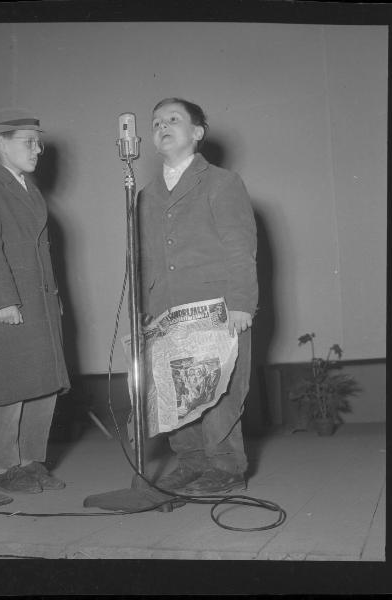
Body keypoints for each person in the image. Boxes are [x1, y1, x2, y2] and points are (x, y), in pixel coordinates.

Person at [138, 98, 258, 495]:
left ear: (197, 132)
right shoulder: (145, 196)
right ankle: (191, 463)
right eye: (156, 123)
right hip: (165, 312)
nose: (162, 126)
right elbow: (142, 260)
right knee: (175, 390)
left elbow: (240, 246)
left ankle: (226, 467)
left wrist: (241, 302)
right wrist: (143, 310)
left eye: (173, 119)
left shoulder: (222, 182)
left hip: (215, 308)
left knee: (217, 389)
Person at [0, 108, 70, 494]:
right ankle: (4, 468)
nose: (38, 149)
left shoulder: (30, 188)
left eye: (38, 142)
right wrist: (2, 301)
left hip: (40, 301)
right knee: (8, 387)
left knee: (43, 384)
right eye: (29, 142)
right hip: (9, 303)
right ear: (1, 144)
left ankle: (32, 462)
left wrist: (52, 298)